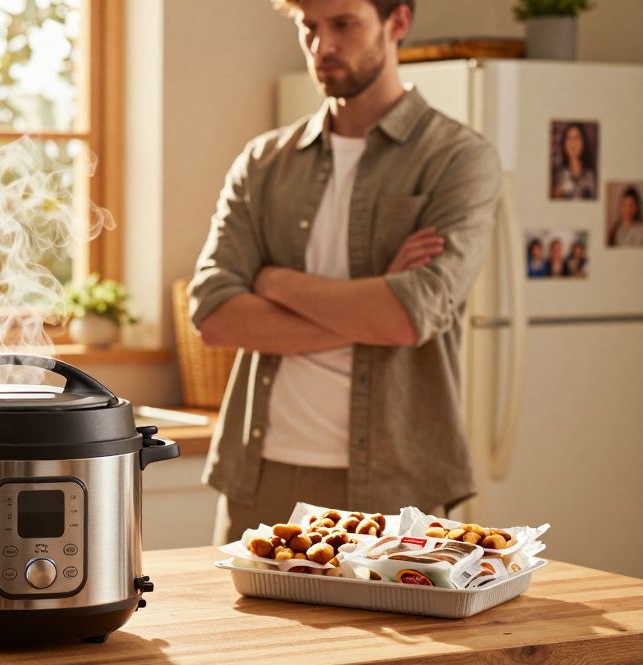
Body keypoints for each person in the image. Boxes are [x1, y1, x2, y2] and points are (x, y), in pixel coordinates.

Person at [187, 0, 500, 541]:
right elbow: (215, 316)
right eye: (309, 26)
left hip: (399, 486)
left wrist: (273, 281)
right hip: (261, 476)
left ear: (397, 22)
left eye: (344, 24)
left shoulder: (457, 158)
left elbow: (408, 317)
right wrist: (369, 304)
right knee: (247, 631)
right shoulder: (263, 163)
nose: (322, 45)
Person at [550, 123, 596, 200]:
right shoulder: (557, 176)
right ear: (564, 143)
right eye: (569, 138)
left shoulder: (592, 176)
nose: (572, 142)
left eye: (576, 138)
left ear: (584, 142)